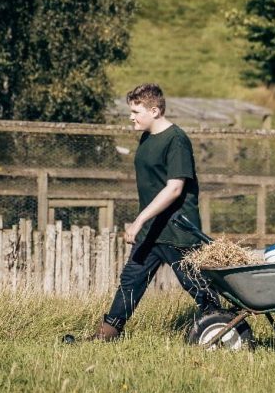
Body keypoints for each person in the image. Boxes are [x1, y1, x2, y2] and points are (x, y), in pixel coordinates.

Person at [91, 84, 218, 341]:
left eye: (136, 111)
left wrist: (138, 220)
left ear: (155, 110)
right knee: (131, 280)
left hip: (176, 229)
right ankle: (108, 334)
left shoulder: (176, 140)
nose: (131, 116)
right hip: (152, 230)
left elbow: (174, 189)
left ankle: (222, 327)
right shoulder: (147, 137)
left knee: (196, 286)